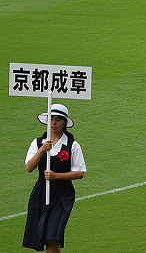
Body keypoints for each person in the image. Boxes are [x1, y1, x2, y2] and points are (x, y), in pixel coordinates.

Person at [23, 104, 86, 252]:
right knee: (42, 236)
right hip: (41, 192)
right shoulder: (38, 143)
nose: (54, 123)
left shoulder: (72, 145)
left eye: (58, 120)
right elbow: (29, 167)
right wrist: (42, 150)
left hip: (62, 195)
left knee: (52, 238)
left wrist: (56, 176)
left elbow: (80, 172)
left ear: (64, 123)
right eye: (51, 119)